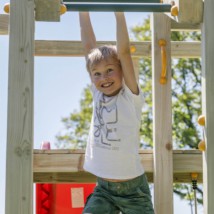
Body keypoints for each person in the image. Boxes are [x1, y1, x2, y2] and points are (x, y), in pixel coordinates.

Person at [79, 12, 154, 214]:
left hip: (133, 191)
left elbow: (124, 52)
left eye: (110, 70)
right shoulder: (97, 93)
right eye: (97, 74)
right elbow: (88, 48)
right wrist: (83, 12)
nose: (104, 77)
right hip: (104, 189)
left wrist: (119, 13)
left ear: (122, 69)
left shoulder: (130, 97)